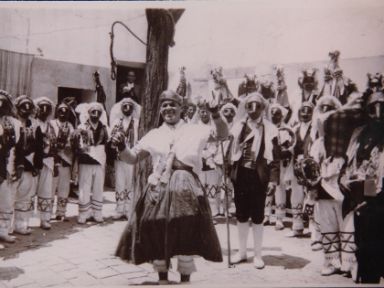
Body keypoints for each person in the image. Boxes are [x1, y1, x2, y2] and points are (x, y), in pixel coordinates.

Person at [115, 90, 225, 284]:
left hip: (186, 187)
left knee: (186, 228)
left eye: (172, 104)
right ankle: (163, 280)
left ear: (181, 108)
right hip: (159, 187)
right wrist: (121, 147)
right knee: (155, 226)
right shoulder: (154, 134)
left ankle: (185, 280)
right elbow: (132, 158)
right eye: (164, 105)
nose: (168, 109)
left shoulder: (195, 130)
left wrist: (215, 112)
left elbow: (223, 135)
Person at [230, 92, 279, 269]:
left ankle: (258, 255)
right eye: (250, 105)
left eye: (257, 106)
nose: (253, 109)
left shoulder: (270, 129)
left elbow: (275, 157)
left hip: (259, 177)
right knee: (241, 214)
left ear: (263, 108)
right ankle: (242, 252)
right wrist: (228, 175)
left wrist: (273, 180)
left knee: (258, 216)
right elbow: (230, 153)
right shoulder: (238, 128)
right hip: (241, 176)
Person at [72, 102, 108, 224]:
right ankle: (83, 213)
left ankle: (97, 213)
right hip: (86, 160)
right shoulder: (82, 127)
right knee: (84, 187)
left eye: (98, 112)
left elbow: (107, 145)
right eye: (93, 112)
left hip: (100, 161)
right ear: (88, 113)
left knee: (98, 187)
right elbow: (77, 145)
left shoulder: (104, 128)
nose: (96, 114)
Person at [13, 95, 43, 235]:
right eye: (22, 108)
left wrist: (37, 164)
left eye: (28, 109)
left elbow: (39, 147)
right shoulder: (11, 123)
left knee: (24, 196)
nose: (25, 111)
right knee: (8, 196)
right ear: (17, 108)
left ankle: (20, 224)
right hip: (11, 165)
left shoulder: (35, 125)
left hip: (29, 166)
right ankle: (5, 227)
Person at [107, 98, 141, 220]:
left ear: (133, 109)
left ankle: (128, 209)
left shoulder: (136, 122)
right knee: (119, 181)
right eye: (124, 106)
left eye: (129, 106)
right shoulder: (117, 121)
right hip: (119, 156)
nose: (127, 108)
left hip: (131, 154)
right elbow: (111, 137)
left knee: (130, 182)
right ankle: (119, 209)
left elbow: (139, 138)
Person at [263, 103, 294, 231]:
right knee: (267, 187)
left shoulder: (286, 130)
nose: (274, 116)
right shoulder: (266, 128)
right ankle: (266, 214)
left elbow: (288, 147)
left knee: (280, 188)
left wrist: (283, 151)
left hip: (280, 163)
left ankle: (279, 218)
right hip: (268, 162)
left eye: (277, 114)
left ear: (282, 116)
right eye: (272, 113)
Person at [0, 90, 22, 243]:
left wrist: (18, 165)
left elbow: (19, 147)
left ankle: (3, 231)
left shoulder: (15, 123)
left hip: (9, 164)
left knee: (6, 199)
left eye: (3, 103)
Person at [34, 97, 56, 230]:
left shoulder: (50, 126)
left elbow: (55, 145)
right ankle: (24, 220)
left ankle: (45, 219)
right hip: (33, 161)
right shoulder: (32, 123)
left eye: (47, 108)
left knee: (46, 190)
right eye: (41, 107)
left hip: (48, 161)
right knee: (29, 189)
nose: (44, 110)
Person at [51, 102, 75, 221]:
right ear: (57, 112)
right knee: (50, 187)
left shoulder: (70, 126)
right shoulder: (51, 124)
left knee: (64, 187)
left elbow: (72, 143)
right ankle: (47, 213)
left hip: (65, 160)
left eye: (65, 112)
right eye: (60, 111)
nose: (63, 114)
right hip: (53, 160)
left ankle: (61, 212)